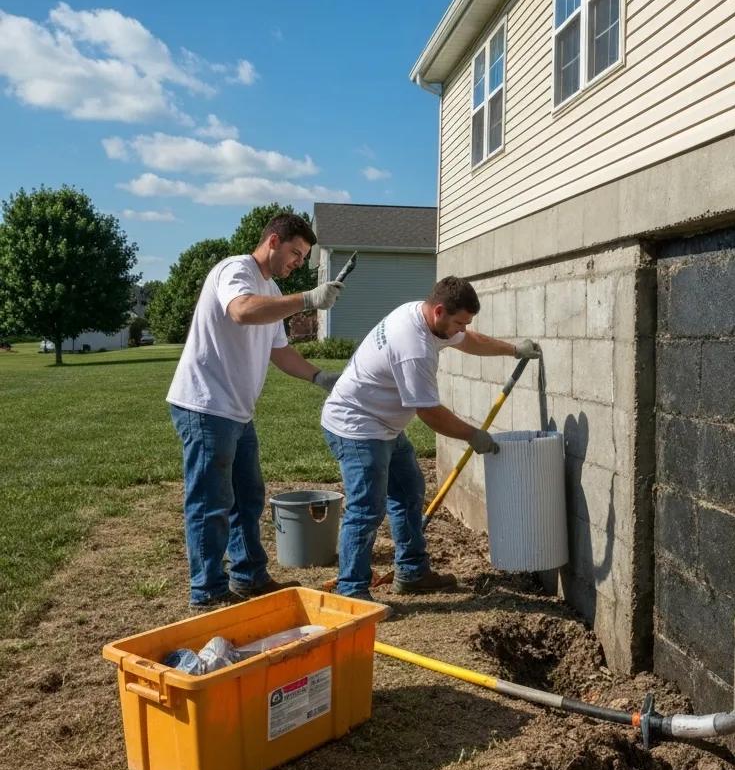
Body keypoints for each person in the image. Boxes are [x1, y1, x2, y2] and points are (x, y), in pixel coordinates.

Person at [321, 276, 540, 601]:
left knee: (408, 490)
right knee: (366, 509)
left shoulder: (425, 317)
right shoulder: (414, 347)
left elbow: (468, 340)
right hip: (356, 427)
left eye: (465, 323)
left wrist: (512, 350)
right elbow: (429, 412)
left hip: (383, 425)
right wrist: (472, 435)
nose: (461, 329)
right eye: (458, 322)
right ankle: (352, 591)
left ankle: (411, 572)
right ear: (439, 311)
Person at [167, 213, 347, 610]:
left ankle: (248, 576)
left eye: (304, 257)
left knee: (247, 498)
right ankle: (207, 591)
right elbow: (242, 310)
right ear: (273, 241)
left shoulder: (271, 289)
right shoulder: (236, 270)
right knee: (211, 502)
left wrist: (321, 377)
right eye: (296, 253)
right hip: (205, 406)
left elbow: (279, 351)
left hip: (236, 412)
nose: (299, 262)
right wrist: (307, 299)